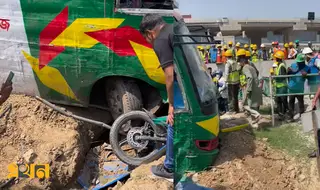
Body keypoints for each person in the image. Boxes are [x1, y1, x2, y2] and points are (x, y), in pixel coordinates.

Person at [139, 13, 174, 179]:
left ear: (149, 33)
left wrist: (172, 105)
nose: (148, 42)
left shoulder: (160, 40)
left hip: (181, 87)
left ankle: (169, 168)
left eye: (145, 38)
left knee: (173, 121)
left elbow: (170, 75)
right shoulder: (173, 30)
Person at [239, 49, 262, 123]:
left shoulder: (245, 67)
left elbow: (250, 77)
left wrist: (248, 89)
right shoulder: (251, 66)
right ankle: (255, 122)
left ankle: (257, 115)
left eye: (240, 62)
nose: (239, 63)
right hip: (256, 87)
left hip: (250, 88)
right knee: (253, 105)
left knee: (245, 104)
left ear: (243, 62)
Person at [287, 54, 308, 122]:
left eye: (300, 62)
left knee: (301, 103)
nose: (299, 63)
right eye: (298, 62)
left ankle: (302, 117)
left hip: (300, 88)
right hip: (292, 88)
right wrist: (288, 70)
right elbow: (288, 73)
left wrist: (305, 75)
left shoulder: (306, 67)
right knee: (291, 102)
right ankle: (291, 117)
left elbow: (310, 77)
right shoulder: (293, 65)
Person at [273, 50, 288, 120]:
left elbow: (282, 76)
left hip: (282, 86)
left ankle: (286, 113)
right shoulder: (278, 65)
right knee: (278, 101)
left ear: (278, 58)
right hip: (278, 86)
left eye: (276, 57)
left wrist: (275, 77)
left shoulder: (281, 66)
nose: (275, 58)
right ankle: (280, 114)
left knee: (283, 100)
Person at [225, 49, 240, 113]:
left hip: (231, 82)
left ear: (226, 56)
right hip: (236, 81)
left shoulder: (228, 63)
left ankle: (231, 110)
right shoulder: (235, 62)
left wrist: (226, 80)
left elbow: (226, 73)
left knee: (230, 96)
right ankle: (236, 109)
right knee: (235, 96)